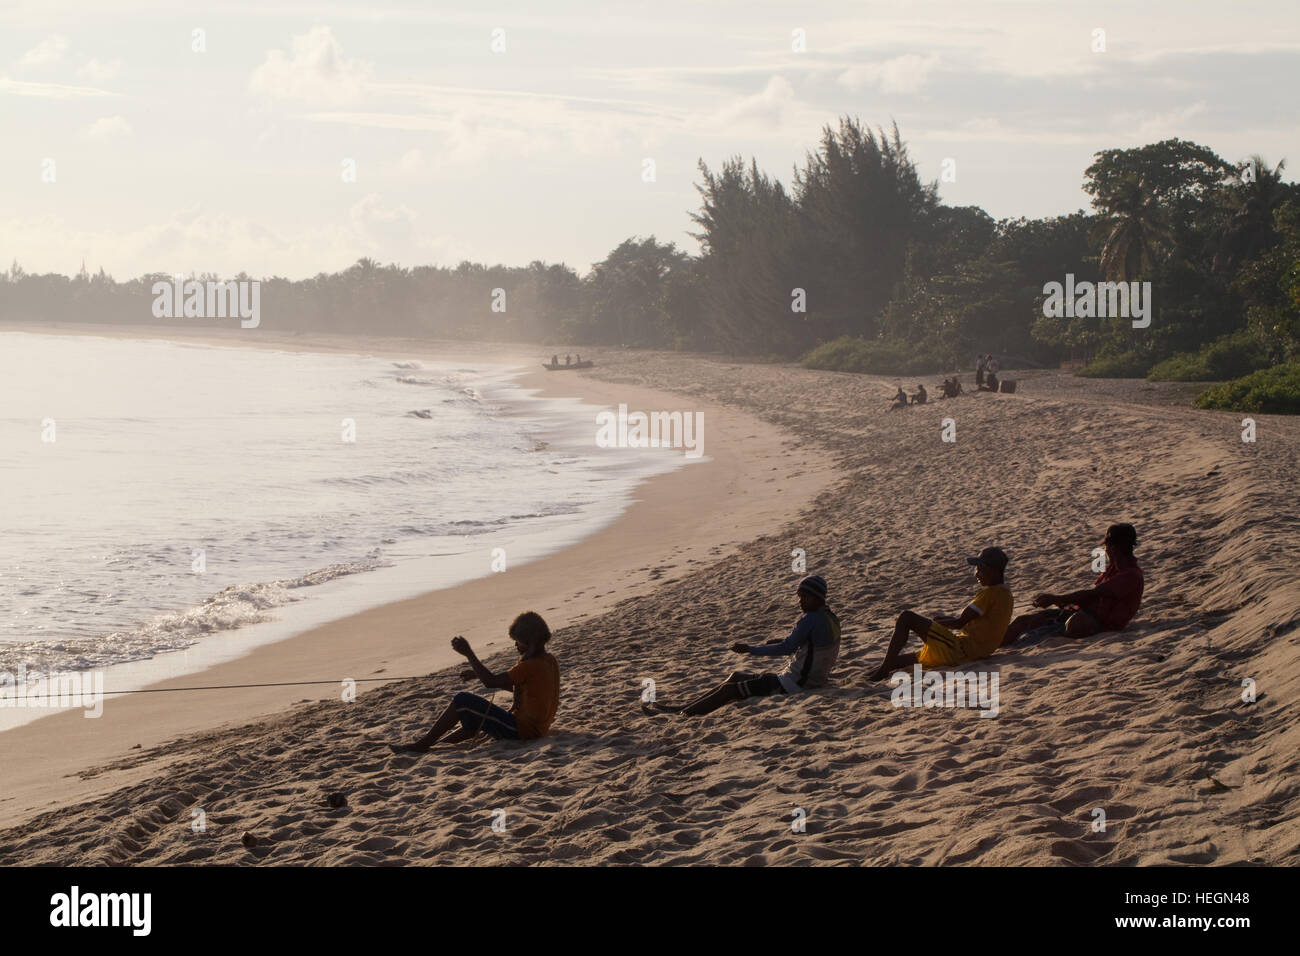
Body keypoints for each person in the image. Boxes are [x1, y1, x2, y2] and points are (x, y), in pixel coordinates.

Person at [646, 576, 841, 717]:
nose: (800, 602)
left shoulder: (809, 619)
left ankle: (682, 715)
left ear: (817, 598)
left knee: (730, 690)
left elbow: (785, 649)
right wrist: (782, 641)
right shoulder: (830, 618)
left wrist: (750, 649)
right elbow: (812, 643)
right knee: (736, 676)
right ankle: (683, 707)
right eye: (799, 597)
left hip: (794, 684)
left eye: (804, 597)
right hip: (811, 679)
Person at [390, 611, 560, 752]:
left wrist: (469, 653)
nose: (516, 645)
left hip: (522, 731)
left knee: (462, 700)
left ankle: (422, 745)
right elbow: (523, 690)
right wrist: (478, 674)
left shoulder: (529, 665)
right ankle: (438, 745)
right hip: (536, 729)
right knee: (473, 712)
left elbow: (491, 683)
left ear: (529, 642)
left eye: (518, 641)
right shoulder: (548, 660)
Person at [868, 547, 1013, 681]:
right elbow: (972, 621)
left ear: (993, 571)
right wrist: (939, 622)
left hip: (960, 651)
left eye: (980, 568)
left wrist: (934, 624)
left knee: (906, 617)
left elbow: (959, 623)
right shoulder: (1006, 595)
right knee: (901, 660)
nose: (976, 573)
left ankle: (882, 672)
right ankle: (882, 669)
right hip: (973, 653)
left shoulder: (989, 594)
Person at [1002, 523, 1144, 645]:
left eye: (1107, 546)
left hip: (1099, 623)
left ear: (1114, 549)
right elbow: (1090, 597)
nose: (1105, 551)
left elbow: (1094, 593)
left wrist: (1056, 598)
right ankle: (993, 645)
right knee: (1024, 621)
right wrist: (1060, 602)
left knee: (1075, 622)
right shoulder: (1112, 569)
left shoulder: (1130, 575)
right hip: (1080, 613)